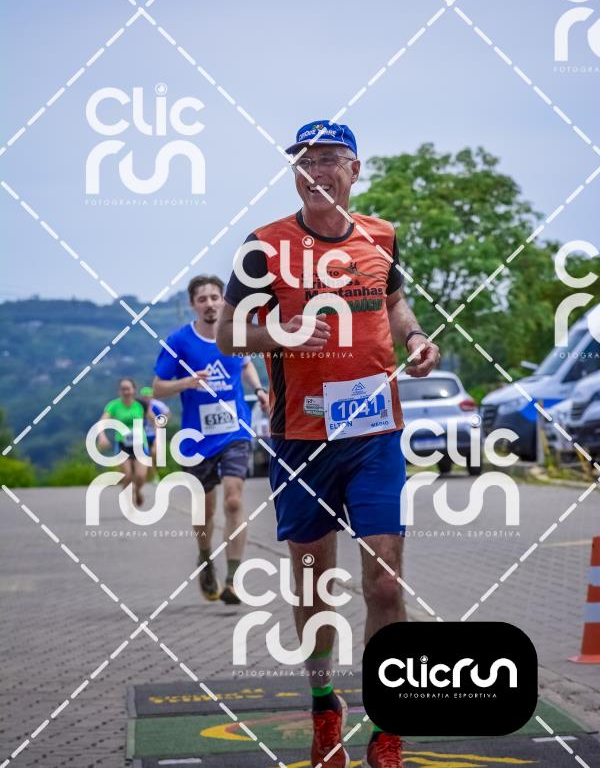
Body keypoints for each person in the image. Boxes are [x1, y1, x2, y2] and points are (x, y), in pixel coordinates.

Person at [217, 121, 440, 768]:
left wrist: (416, 337)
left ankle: (388, 723)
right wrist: (279, 334)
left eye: (328, 160)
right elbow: (228, 334)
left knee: (385, 581)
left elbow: (394, 303)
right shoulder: (263, 246)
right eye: (305, 162)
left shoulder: (381, 235)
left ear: (354, 170)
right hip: (301, 440)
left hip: (375, 434)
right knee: (313, 583)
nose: (315, 173)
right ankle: (324, 706)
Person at [152, 274, 269, 604]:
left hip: (234, 430)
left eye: (215, 297)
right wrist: (187, 382)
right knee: (204, 512)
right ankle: (205, 557)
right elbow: (157, 388)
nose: (210, 304)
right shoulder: (179, 341)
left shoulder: (234, 333)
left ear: (223, 300)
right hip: (196, 439)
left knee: (233, 500)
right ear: (193, 305)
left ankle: (233, 579)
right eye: (202, 299)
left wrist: (259, 389)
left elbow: (245, 365)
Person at [97, 378, 151, 507]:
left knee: (140, 476)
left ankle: (137, 491)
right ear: (119, 391)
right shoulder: (113, 405)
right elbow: (102, 421)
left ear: (134, 390)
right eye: (123, 389)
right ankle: (128, 500)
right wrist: (102, 436)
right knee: (127, 476)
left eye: (128, 389)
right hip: (122, 444)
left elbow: (154, 419)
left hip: (140, 444)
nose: (126, 391)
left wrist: (159, 433)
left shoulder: (141, 405)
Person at [138, 386, 170, 483]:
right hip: (143, 433)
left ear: (152, 396)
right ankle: (154, 475)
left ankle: (153, 471)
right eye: (144, 397)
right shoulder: (139, 406)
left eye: (148, 397)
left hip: (156, 431)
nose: (146, 399)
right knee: (146, 455)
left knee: (155, 453)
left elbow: (168, 414)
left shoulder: (158, 405)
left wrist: (163, 422)